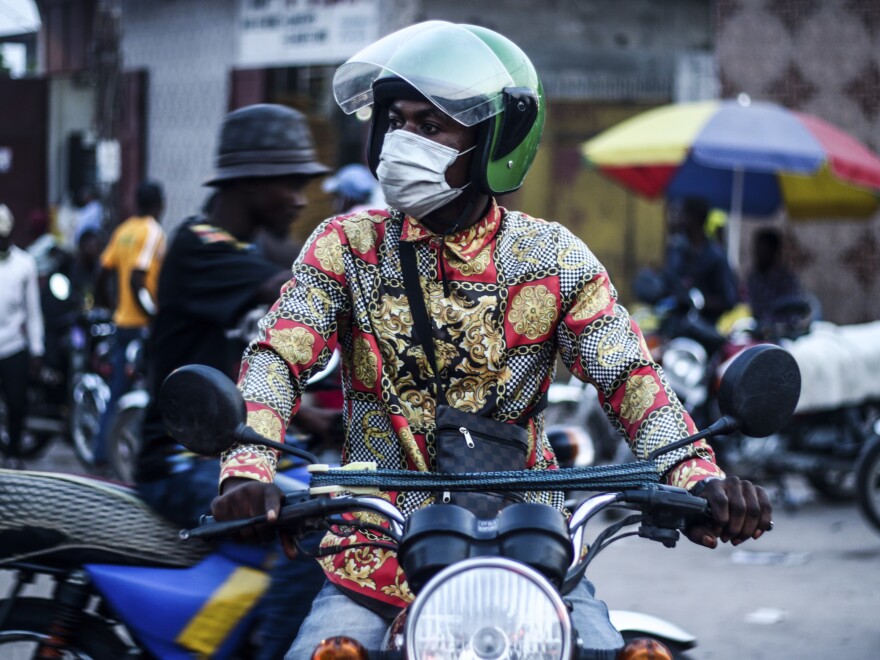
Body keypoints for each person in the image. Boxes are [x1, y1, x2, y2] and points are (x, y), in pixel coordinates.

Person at [210, 22, 774, 658]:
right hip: (371, 561)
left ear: (494, 141)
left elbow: (630, 379)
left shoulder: (555, 257)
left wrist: (700, 478)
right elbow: (277, 358)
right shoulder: (344, 247)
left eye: (431, 125)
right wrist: (245, 471)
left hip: (533, 555)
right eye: (397, 121)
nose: (403, 140)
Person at [135, 103, 331, 659]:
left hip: (229, 441)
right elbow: (299, 291)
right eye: (289, 184)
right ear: (246, 184)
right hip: (179, 462)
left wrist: (320, 419)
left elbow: (243, 372)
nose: (299, 198)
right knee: (314, 527)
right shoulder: (201, 245)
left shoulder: (242, 250)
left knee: (357, 493)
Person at [92, 181, 167, 467]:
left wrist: (109, 305)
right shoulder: (152, 231)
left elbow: (102, 270)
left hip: (122, 324)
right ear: (159, 204)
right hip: (142, 327)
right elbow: (138, 278)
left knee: (118, 390)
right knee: (151, 390)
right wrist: (152, 314)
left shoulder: (123, 230)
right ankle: (148, 458)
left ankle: (101, 453)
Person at [0, 204, 45, 469]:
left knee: (17, 404)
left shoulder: (25, 264)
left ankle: (14, 453)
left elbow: (33, 312)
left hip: (14, 346)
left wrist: (37, 349)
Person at [663, 196, 739, 324]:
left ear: (695, 218)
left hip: (705, 330)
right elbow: (667, 284)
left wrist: (700, 301)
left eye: (683, 214)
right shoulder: (677, 250)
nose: (679, 219)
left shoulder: (716, 257)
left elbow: (729, 300)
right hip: (674, 326)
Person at [746, 228, 805, 328]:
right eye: (757, 249)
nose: (758, 253)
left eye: (763, 249)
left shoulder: (787, 278)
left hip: (784, 332)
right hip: (759, 330)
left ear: (774, 251)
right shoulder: (753, 277)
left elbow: (793, 312)